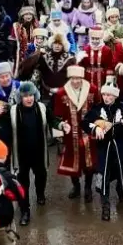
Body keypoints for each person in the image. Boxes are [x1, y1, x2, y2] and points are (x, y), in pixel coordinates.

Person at [0, 82, 53, 226]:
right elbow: (2, 125)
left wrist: (61, 125)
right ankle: (25, 210)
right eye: (25, 96)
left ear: (35, 95)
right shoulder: (13, 111)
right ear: (20, 97)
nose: (29, 99)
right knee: (23, 183)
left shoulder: (42, 108)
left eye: (31, 95)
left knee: (41, 175)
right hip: (21, 154)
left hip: (39, 152)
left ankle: (40, 194)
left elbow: (53, 120)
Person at [82, 84, 123, 221]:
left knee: (121, 171)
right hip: (104, 147)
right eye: (105, 95)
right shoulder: (96, 109)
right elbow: (85, 122)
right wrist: (95, 129)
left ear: (116, 95)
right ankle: (105, 206)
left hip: (120, 146)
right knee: (104, 173)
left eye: (110, 95)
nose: (106, 98)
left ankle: (121, 192)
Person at [50, 65, 99, 200]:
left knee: (89, 163)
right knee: (73, 162)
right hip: (70, 135)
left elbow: (98, 109)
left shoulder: (93, 90)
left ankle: (88, 188)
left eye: (78, 78)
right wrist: (59, 137)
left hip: (89, 134)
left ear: (82, 77)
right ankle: (76, 186)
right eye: (73, 78)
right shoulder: (61, 93)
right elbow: (57, 116)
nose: (76, 81)